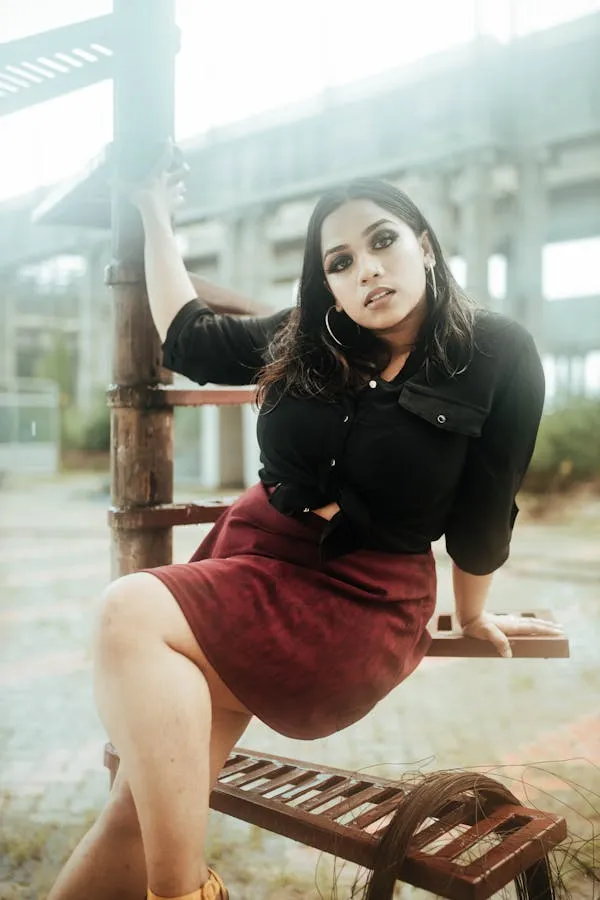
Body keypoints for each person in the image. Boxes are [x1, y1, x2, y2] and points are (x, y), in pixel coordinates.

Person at [48, 150, 563, 900]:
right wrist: (155, 213)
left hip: (360, 599)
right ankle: (181, 887)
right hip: (253, 559)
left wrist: (474, 615)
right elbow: (190, 338)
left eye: (383, 242)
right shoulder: (308, 336)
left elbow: (486, 520)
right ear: (328, 279)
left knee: (128, 611)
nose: (368, 272)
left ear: (423, 242)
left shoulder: (496, 352)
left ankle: (184, 894)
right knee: (141, 805)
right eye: (342, 261)